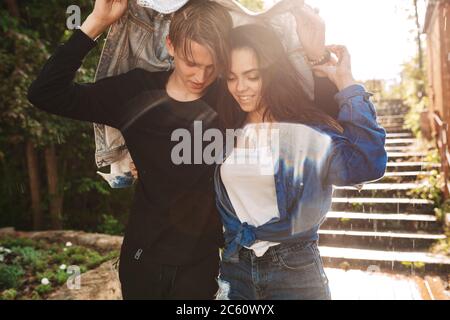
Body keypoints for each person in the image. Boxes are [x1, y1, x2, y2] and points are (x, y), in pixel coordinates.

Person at [27, 0, 339, 299]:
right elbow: (46, 93)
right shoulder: (134, 93)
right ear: (171, 45)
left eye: (211, 66)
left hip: (202, 264)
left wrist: (317, 56)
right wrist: (96, 22)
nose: (200, 77)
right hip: (142, 258)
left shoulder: (230, 97)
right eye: (192, 63)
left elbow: (316, 121)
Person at [213, 24, 387, 300]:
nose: (240, 88)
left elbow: (367, 165)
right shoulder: (225, 129)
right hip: (236, 268)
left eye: (252, 76)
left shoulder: (305, 131)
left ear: (271, 74)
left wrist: (347, 83)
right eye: (232, 77)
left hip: (294, 270)